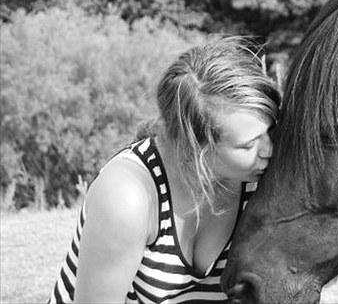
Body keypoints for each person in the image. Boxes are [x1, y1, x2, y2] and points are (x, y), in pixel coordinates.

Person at [49, 36, 280, 303]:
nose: (269, 150)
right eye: (248, 145)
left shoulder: (261, 179)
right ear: (195, 148)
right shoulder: (128, 196)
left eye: (270, 130)